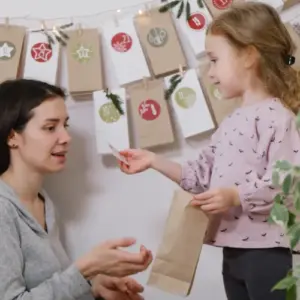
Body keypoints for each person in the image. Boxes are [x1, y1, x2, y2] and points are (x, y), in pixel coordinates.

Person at [118, 2, 300, 300]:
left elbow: (287, 183)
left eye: (214, 60)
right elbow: (200, 177)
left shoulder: (277, 117)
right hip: (233, 253)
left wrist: (235, 195)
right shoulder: (230, 123)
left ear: (249, 56)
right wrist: (153, 160)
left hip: (267, 253)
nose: (211, 73)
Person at [0, 78, 153, 300]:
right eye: (50, 127)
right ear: (12, 136)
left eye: (65, 125)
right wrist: (84, 271)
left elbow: (47, 284)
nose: (66, 138)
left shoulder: (43, 201)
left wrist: (94, 284)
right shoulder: (3, 210)